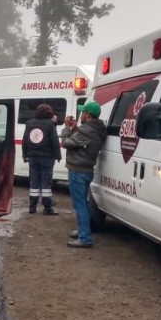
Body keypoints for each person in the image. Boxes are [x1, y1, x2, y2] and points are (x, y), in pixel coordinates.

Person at [61, 101, 107, 248]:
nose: (81, 115)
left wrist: (67, 129)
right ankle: (83, 230)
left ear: (87, 114)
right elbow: (80, 142)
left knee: (79, 204)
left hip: (77, 170)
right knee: (84, 203)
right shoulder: (98, 128)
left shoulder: (86, 130)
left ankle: (84, 238)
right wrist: (75, 129)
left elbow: (66, 143)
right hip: (87, 169)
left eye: (83, 112)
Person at [21, 103, 62, 215]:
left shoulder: (29, 123)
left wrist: (25, 155)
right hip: (47, 158)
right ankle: (47, 208)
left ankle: (32, 207)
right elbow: (54, 142)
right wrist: (58, 156)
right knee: (46, 183)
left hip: (33, 157)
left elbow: (25, 141)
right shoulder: (50, 124)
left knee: (33, 181)